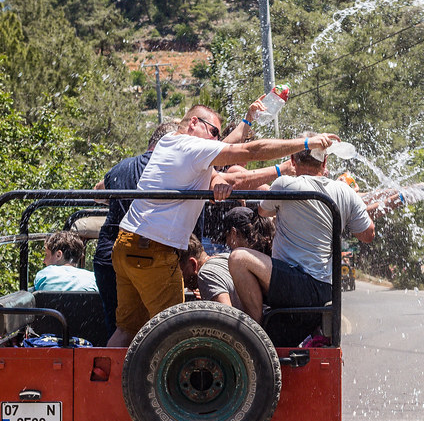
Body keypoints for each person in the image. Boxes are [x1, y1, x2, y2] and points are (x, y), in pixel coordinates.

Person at [106, 106, 341, 347]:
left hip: (125, 244)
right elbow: (250, 150)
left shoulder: (169, 141)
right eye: (214, 132)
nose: (216, 139)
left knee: (127, 330)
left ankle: (99, 381)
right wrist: (305, 143)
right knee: (176, 336)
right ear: (194, 122)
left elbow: (222, 157)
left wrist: (247, 121)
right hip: (153, 251)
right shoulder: (191, 147)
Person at [228, 145, 374, 326]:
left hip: (300, 286)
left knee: (238, 258)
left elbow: (263, 212)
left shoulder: (284, 184)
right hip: (326, 289)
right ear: (325, 161)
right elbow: (368, 234)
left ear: (292, 160)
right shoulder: (346, 191)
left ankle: (254, 333)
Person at [93, 121, 178, 333]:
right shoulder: (168, 168)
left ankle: (112, 363)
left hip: (107, 254)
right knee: (159, 328)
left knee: (118, 326)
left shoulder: (122, 166)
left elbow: (97, 192)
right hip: (145, 254)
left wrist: (116, 198)